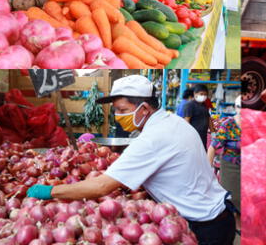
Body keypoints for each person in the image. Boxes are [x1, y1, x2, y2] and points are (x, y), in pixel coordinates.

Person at [27, 75, 236, 245]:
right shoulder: (171, 121)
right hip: (218, 215)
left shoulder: (153, 138)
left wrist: (49, 192)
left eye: (123, 110)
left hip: (206, 228)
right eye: (116, 110)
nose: (117, 116)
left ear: (144, 108)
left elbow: (101, 187)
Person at [207, 95, 241, 234]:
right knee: (232, 199)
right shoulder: (228, 124)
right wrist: (207, 172)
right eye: (240, 107)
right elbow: (213, 147)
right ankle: (234, 228)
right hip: (231, 168)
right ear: (235, 108)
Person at [184, 84, 212, 149]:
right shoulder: (189, 105)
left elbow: (209, 118)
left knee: (203, 152)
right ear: (195, 94)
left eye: (205, 94)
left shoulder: (204, 105)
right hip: (193, 136)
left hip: (203, 135)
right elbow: (186, 122)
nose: (203, 96)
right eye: (201, 94)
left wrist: (213, 132)